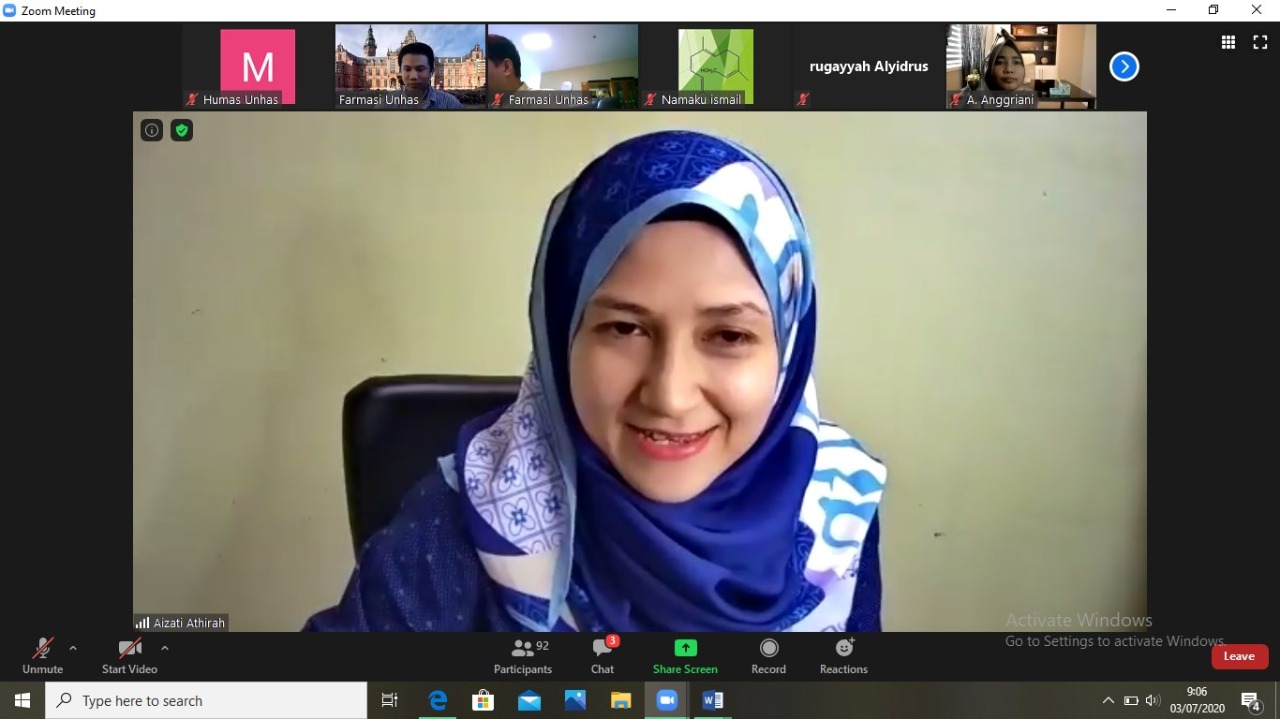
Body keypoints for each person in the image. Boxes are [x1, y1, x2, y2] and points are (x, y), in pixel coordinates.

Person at [304, 130, 888, 633]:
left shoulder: (834, 504)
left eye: (729, 336)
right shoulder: (468, 517)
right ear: (563, 334)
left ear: (787, 350)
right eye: (625, 328)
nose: (670, 394)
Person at [397, 41, 463, 109]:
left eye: (420, 69)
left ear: (432, 71)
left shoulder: (451, 104)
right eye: (407, 69)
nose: (413, 77)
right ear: (401, 71)